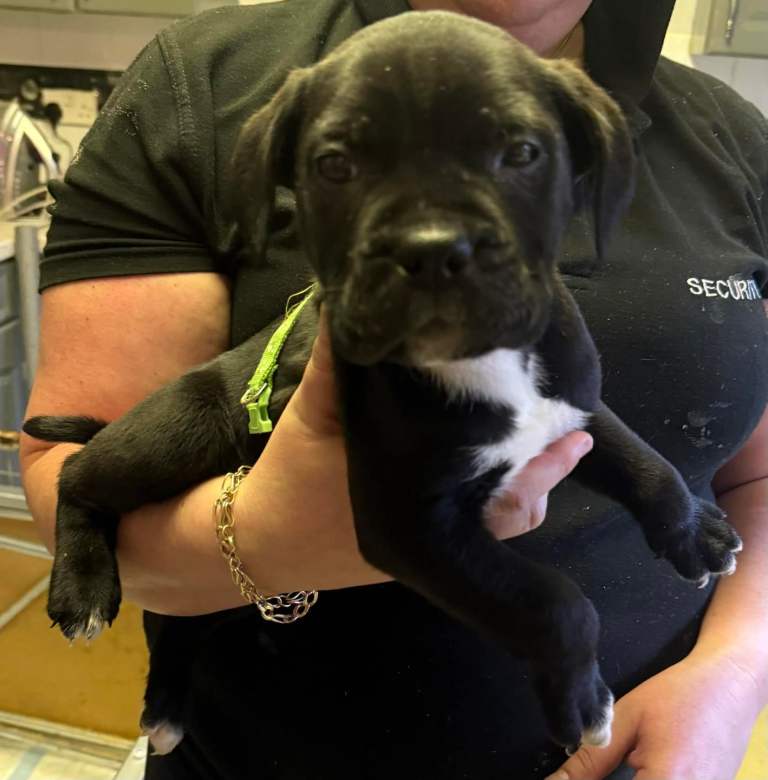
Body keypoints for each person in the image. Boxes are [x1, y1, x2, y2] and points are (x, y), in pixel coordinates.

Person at [18, 0, 768, 778]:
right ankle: (146, 641)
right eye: (342, 167)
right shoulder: (210, 82)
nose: (432, 237)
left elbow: (669, 444)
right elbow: (58, 474)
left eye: (516, 153)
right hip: (272, 752)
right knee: (136, 466)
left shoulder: (729, 136)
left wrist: (737, 672)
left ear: (594, 177)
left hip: (632, 753)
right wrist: (267, 536)